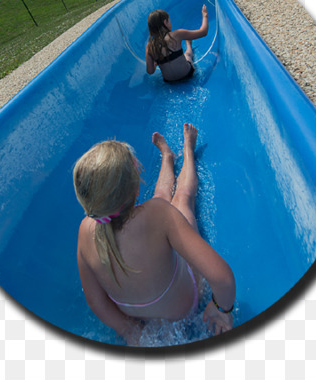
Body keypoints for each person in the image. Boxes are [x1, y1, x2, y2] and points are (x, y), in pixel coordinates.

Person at [72, 127, 235, 345]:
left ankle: (167, 157)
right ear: (136, 189)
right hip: (184, 311)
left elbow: (95, 301)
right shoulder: (159, 214)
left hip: (140, 323)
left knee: (160, 200)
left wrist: (128, 330)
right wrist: (220, 309)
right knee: (181, 199)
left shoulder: (85, 230)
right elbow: (222, 279)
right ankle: (188, 150)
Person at [145, 5, 209, 83]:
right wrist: (205, 15)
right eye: (169, 21)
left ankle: (188, 44)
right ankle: (189, 44)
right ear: (165, 22)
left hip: (169, 81)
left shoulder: (149, 47)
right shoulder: (177, 34)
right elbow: (203, 32)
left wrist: (156, 63)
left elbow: (150, 71)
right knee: (187, 55)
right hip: (188, 74)